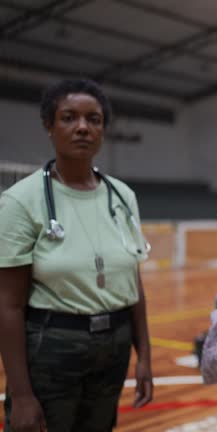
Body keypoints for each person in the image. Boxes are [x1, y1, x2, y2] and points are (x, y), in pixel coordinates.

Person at [0, 79, 153, 431]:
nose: (83, 127)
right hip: (51, 348)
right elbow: (8, 305)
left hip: (113, 348)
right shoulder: (21, 201)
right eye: (69, 117)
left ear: (103, 130)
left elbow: (134, 282)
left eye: (94, 119)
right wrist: (22, 395)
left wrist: (143, 356)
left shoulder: (123, 197)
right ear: (49, 126)